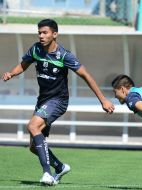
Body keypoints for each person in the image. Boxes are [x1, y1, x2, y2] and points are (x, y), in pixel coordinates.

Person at [1, 19, 115, 186]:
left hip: (58, 101)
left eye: (45, 32)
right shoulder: (36, 49)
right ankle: (60, 167)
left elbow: (86, 76)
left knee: (32, 126)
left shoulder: (64, 55)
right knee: (34, 146)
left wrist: (103, 100)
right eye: (39, 32)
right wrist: (11, 73)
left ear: (55, 34)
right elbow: (23, 65)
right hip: (43, 101)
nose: (41, 35)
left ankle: (47, 173)